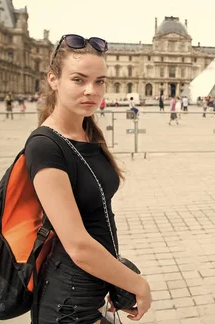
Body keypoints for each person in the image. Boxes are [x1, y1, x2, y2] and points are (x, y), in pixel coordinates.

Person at [25, 34, 151, 323]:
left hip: (94, 288)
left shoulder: (88, 132)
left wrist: (113, 276)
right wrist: (137, 284)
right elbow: (78, 245)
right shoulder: (45, 146)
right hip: (68, 304)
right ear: (53, 79)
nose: (92, 91)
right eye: (79, 80)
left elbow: (98, 215)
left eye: (100, 81)